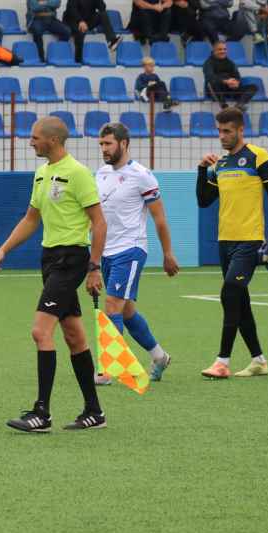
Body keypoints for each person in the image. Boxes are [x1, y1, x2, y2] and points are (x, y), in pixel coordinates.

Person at [0, 116, 107, 433]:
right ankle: (94, 411)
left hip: (72, 259)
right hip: (50, 259)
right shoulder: (41, 173)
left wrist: (94, 267)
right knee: (74, 336)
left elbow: (99, 222)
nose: (30, 142)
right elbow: (31, 218)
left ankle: (42, 413)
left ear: (53, 140)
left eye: (35, 137)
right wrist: (3, 249)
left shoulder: (78, 173)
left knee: (40, 332)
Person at [196, 107, 268, 379]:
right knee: (239, 300)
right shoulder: (220, 164)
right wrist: (202, 170)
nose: (222, 136)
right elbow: (204, 201)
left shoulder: (259, 156)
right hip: (225, 241)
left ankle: (222, 361)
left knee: (229, 293)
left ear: (241, 130)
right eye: (219, 131)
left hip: (250, 240)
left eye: (227, 131)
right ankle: (259, 360)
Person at [94, 122, 178, 386]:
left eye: (108, 144)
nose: (104, 149)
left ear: (124, 143)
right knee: (127, 311)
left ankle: (109, 369)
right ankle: (159, 356)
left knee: (112, 304)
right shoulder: (100, 173)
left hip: (130, 249)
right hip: (107, 251)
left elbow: (159, 219)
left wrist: (167, 253)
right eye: (101, 144)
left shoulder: (142, 175)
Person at [203, 40, 258, 110]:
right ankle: (224, 107)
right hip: (217, 90)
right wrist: (226, 81)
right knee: (212, 83)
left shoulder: (230, 62)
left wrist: (236, 82)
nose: (223, 51)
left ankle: (239, 105)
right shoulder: (208, 63)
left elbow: (237, 76)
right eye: (220, 49)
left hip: (230, 89)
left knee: (253, 87)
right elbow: (210, 77)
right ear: (214, 51)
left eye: (224, 49)